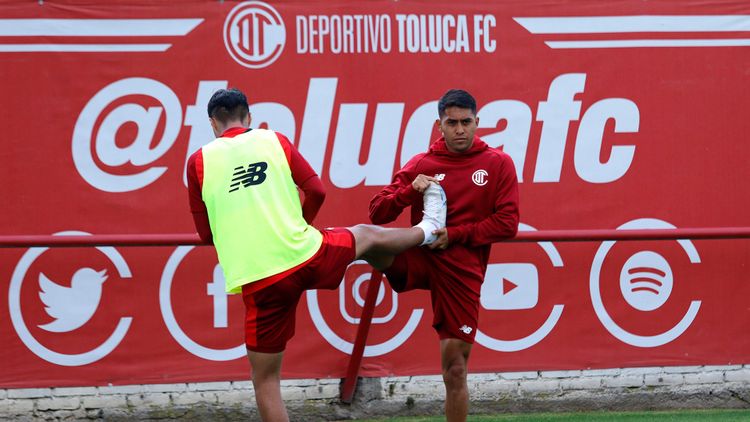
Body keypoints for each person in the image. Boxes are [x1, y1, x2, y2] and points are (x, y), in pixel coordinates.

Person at [186, 88, 447, 422]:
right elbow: (317, 190)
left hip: (260, 281)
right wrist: (300, 226)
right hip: (305, 253)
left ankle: (413, 254)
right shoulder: (273, 139)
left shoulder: (198, 162)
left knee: (265, 381)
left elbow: (207, 235)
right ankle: (429, 229)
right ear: (249, 117)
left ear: (212, 123)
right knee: (365, 236)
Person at [369, 89, 519, 422]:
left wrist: (455, 235)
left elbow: (507, 223)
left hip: (461, 271)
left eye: (466, 122)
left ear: (477, 122)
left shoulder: (498, 163)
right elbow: (378, 211)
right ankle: (319, 261)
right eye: (452, 123)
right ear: (440, 125)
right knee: (371, 243)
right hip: (420, 258)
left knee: (454, 368)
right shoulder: (423, 164)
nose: (460, 130)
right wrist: (410, 191)